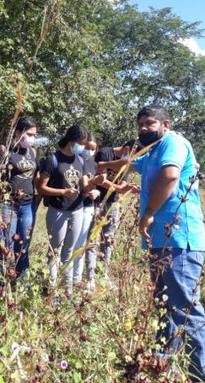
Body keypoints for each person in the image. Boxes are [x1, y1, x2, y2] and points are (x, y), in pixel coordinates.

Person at [131, 105, 205, 382]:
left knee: (185, 310)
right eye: (140, 125)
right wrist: (103, 164)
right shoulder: (155, 150)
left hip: (180, 238)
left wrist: (147, 215)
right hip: (161, 239)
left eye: (149, 123)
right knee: (165, 305)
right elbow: (132, 164)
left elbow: (170, 176)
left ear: (165, 124)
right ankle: (161, 365)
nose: (143, 129)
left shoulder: (173, 142)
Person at [38, 125, 104, 294]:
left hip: (77, 210)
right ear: (71, 141)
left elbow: (84, 187)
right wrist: (63, 192)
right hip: (58, 210)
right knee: (55, 250)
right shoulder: (53, 159)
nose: (82, 148)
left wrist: (95, 182)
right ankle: (51, 288)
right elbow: (41, 188)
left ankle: (67, 289)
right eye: (81, 144)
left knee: (69, 250)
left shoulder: (80, 160)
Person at [0, 116, 40, 284]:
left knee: (24, 243)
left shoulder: (32, 152)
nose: (32, 138)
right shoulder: (7, 151)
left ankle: (22, 281)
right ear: (18, 133)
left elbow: (35, 177)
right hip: (9, 205)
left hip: (28, 204)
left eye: (34, 134)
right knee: (7, 243)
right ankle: (2, 280)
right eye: (29, 134)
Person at [93, 138, 137, 287]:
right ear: (125, 149)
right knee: (92, 237)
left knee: (108, 238)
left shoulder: (127, 161)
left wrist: (126, 186)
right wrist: (119, 188)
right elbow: (100, 179)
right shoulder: (105, 154)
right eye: (131, 155)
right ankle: (90, 273)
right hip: (97, 201)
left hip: (113, 203)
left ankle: (103, 273)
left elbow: (123, 180)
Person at [72, 133, 101, 290]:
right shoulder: (76, 161)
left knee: (82, 243)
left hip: (89, 205)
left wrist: (97, 192)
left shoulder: (94, 164)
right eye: (87, 147)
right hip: (76, 206)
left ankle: (77, 278)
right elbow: (82, 184)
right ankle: (68, 277)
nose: (89, 151)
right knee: (72, 242)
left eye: (93, 149)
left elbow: (96, 186)